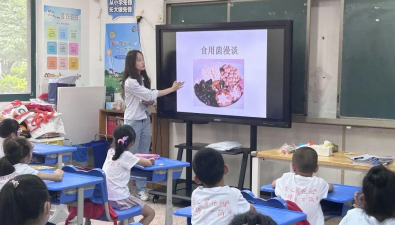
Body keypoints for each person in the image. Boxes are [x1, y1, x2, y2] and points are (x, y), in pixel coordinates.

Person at [121, 50, 184, 201]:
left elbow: (150, 99)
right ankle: (127, 190)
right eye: (138, 60)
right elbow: (149, 95)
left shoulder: (141, 79)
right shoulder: (130, 81)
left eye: (142, 59)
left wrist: (150, 102)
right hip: (133, 122)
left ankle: (141, 190)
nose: (142, 62)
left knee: (144, 155)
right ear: (132, 63)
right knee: (130, 156)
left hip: (144, 120)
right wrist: (171, 89)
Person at [102, 125, 155, 225]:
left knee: (130, 214)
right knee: (150, 213)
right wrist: (150, 161)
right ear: (132, 143)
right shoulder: (127, 155)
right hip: (119, 199)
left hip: (105, 198)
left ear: (114, 139)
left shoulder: (110, 152)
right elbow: (147, 163)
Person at [191, 148, 255, 225]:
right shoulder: (234, 194)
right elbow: (252, 211)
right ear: (226, 169)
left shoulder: (195, 194)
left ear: (197, 179)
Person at [272, 147, 334, 225]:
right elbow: (330, 188)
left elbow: (273, 184)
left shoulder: (286, 179)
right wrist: (330, 185)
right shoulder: (319, 183)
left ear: (293, 167)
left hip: (289, 223)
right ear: (316, 168)